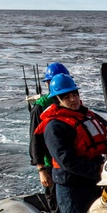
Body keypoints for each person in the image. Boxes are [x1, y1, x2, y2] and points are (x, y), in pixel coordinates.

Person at [36, 73, 107, 213]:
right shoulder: (55, 126)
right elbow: (67, 160)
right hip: (72, 187)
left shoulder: (87, 116)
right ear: (58, 100)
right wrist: (97, 170)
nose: (73, 100)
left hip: (94, 181)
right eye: (67, 97)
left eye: (75, 95)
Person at [29, 62, 70, 193]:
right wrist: (41, 169)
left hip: (70, 162)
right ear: (48, 84)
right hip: (51, 164)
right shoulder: (40, 107)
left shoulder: (72, 102)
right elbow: (35, 139)